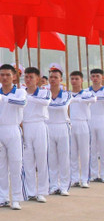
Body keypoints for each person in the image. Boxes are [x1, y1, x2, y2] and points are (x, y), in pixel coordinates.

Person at [0, 64, 25, 210]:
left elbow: (22, 102)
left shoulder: (20, 92)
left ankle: (16, 197)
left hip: (13, 129)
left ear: (14, 76)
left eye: (8, 75)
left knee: (16, 164)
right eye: (2, 75)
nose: (4, 78)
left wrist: (3, 98)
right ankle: (3, 197)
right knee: (0, 166)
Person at [22, 66, 50, 202]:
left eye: (31, 77)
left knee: (41, 158)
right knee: (28, 160)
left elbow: (46, 102)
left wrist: (28, 98)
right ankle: (30, 190)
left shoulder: (44, 92)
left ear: (37, 79)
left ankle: (42, 191)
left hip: (39, 125)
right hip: (26, 125)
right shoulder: (21, 92)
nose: (28, 80)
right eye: (26, 77)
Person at [45, 64, 72, 196]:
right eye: (51, 77)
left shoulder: (67, 94)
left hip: (62, 126)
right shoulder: (45, 93)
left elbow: (61, 106)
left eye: (56, 77)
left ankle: (64, 186)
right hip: (49, 126)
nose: (53, 79)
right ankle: (53, 185)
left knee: (64, 157)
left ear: (61, 79)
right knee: (51, 158)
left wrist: (46, 103)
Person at [68, 71, 95, 189]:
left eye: (76, 79)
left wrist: (77, 99)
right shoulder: (67, 94)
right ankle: (74, 178)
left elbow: (93, 99)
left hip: (83, 123)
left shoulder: (87, 93)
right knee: (72, 153)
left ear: (81, 80)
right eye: (72, 79)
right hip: (70, 123)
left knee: (84, 153)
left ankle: (84, 178)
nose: (74, 81)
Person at [88, 68, 104, 182]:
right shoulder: (86, 92)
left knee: (103, 148)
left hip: (102, 120)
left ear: (102, 77)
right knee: (91, 148)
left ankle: (103, 174)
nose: (95, 78)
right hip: (90, 120)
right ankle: (93, 174)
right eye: (93, 76)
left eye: (97, 76)